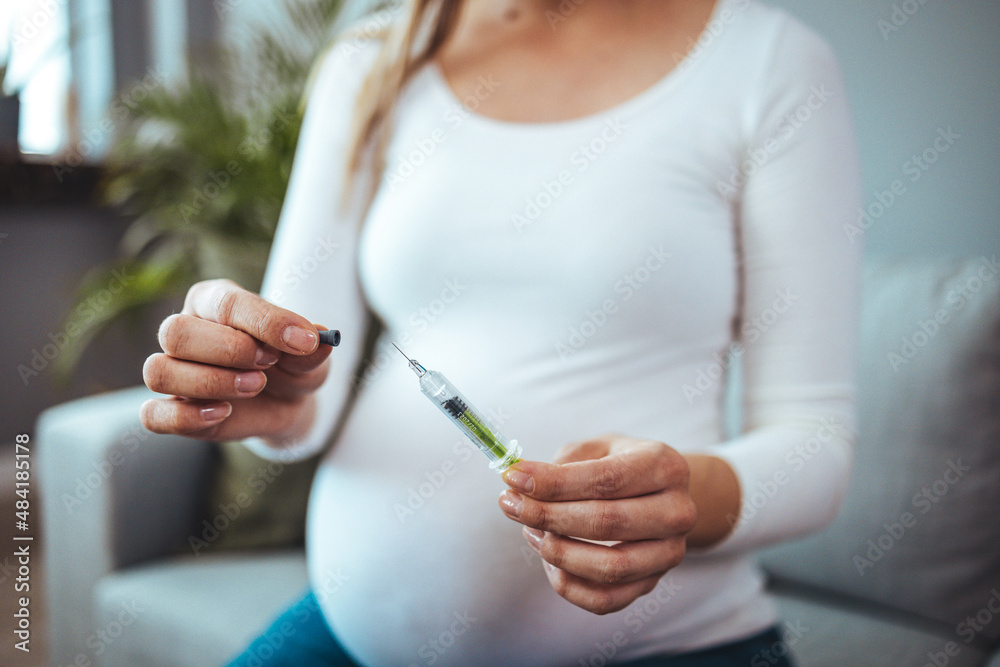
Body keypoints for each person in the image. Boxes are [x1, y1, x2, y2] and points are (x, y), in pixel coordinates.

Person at [140, 0, 862, 664]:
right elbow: (304, 369)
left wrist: (682, 498)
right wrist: (266, 389)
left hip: (669, 644)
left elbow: (816, 443)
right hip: (354, 634)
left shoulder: (770, 63)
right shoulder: (372, 60)